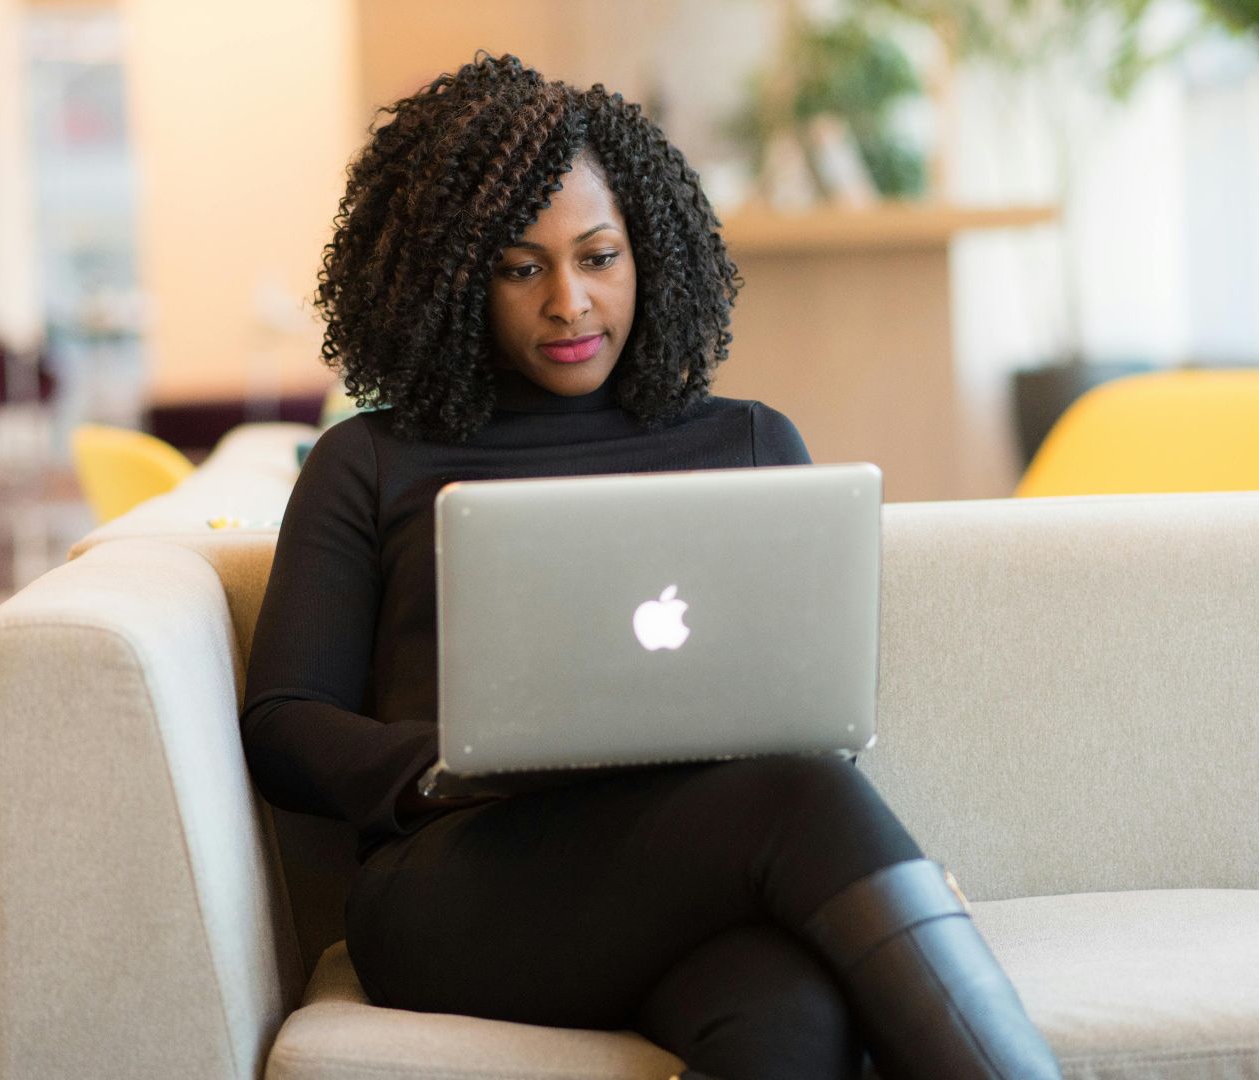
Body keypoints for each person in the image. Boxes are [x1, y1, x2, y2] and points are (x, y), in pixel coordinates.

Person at [241, 53, 1061, 1080]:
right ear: (451, 277)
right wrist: (441, 766)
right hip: (461, 887)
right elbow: (282, 725)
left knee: (788, 1008)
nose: (570, 302)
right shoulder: (369, 460)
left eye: (598, 256)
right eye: (520, 266)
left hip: (702, 874)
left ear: (649, 254)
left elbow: (801, 696)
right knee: (801, 803)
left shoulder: (753, 442)